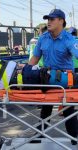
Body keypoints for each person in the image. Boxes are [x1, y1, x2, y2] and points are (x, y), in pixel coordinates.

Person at [29, 9, 78, 145]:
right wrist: (26, 72)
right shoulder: (43, 38)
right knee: (45, 110)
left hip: (65, 80)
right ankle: (40, 135)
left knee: (68, 111)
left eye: (52, 19)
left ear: (61, 21)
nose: (48, 22)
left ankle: (75, 138)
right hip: (48, 79)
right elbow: (35, 58)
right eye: (48, 19)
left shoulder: (69, 39)